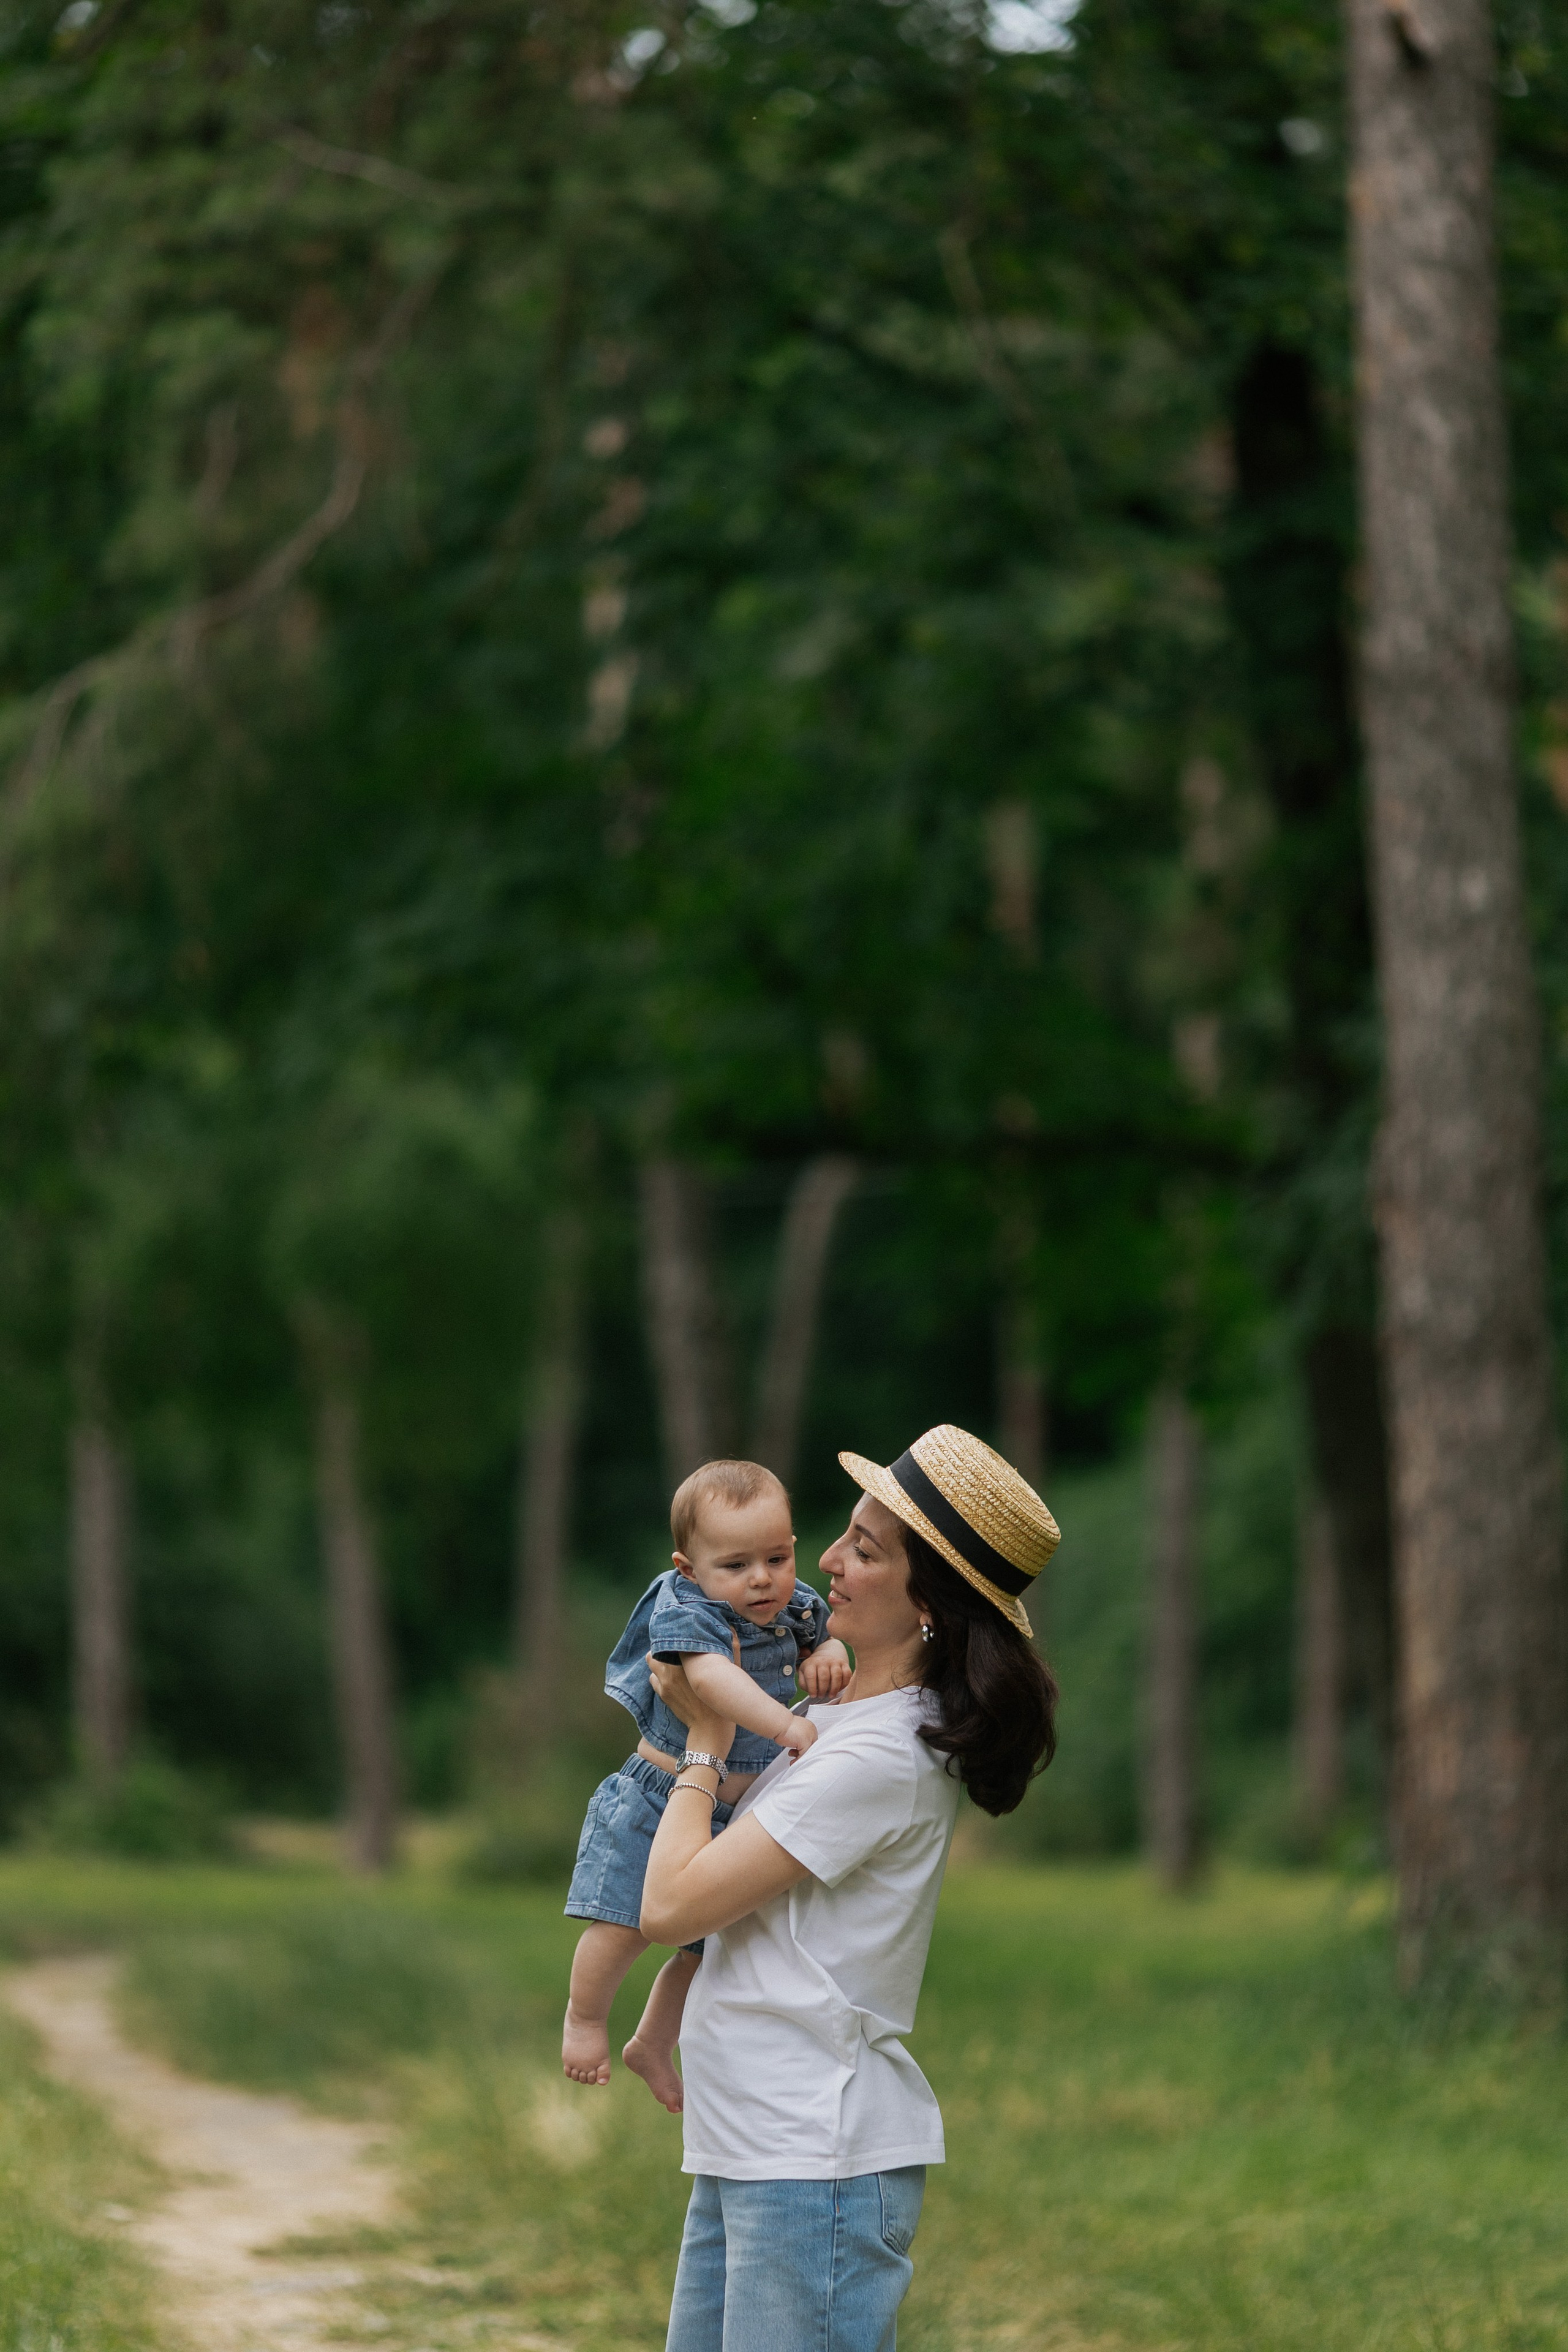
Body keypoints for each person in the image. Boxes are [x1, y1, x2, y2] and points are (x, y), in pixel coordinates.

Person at [640, 1423, 1060, 2352]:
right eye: (845, 1533)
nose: (827, 1559)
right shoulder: (829, 1716)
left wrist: (704, 1742)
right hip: (756, 2142)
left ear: (932, 1607)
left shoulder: (880, 1756)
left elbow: (670, 1905)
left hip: (811, 2158)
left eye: (865, 1550)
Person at [562, 1458, 853, 2105]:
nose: (762, 1580)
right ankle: (584, 2020)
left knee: (702, 1951)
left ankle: (653, 2044)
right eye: (736, 1566)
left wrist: (830, 1652)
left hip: (732, 1814)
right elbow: (711, 1680)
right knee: (622, 1926)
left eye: (777, 1558)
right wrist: (784, 1724)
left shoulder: (797, 1601)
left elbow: (825, 1639)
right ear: (689, 1566)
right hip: (660, 1796)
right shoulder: (685, 1606)